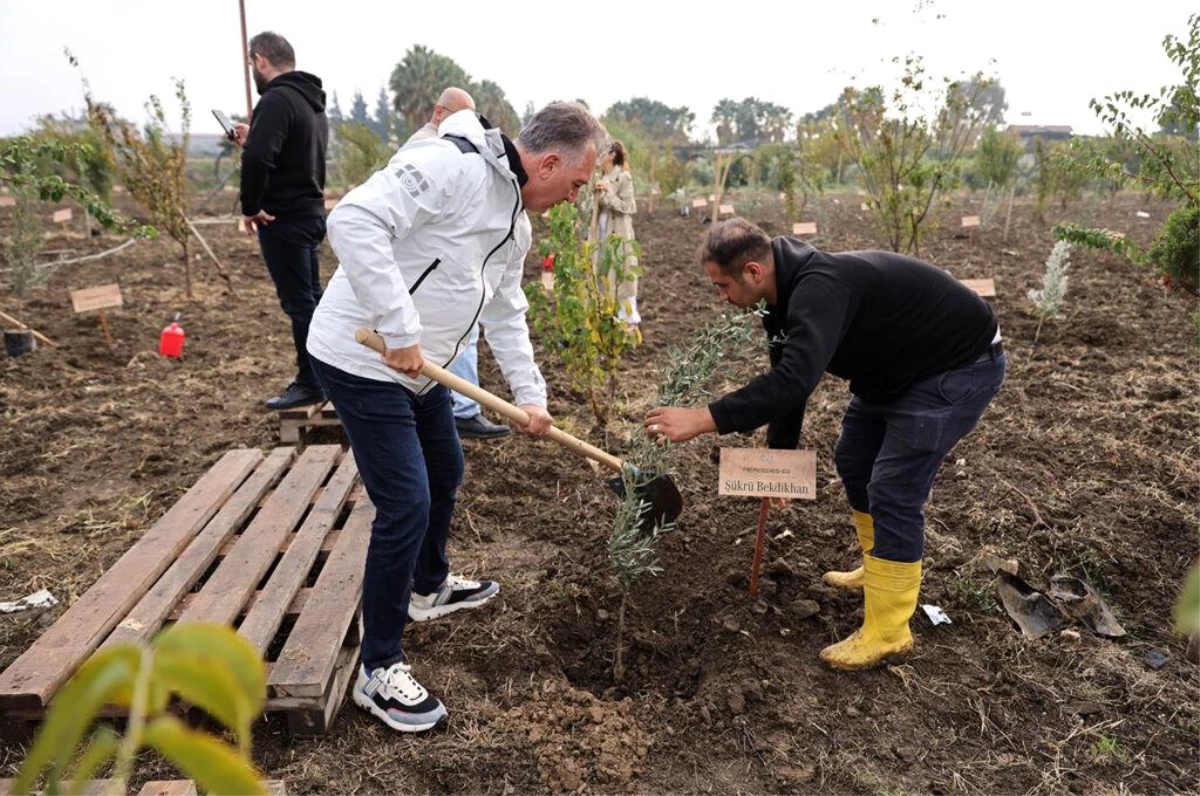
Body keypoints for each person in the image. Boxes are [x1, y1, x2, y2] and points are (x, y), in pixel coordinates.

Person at [306, 102, 605, 732]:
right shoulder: (450, 167)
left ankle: (428, 586)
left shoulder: (515, 226)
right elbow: (354, 220)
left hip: (419, 367)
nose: (575, 199)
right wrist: (399, 325)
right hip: (363, 357)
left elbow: (505, 311)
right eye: (576, 184)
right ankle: (377, 668)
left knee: (447, 468)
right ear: (549, 163)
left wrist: (531, 395)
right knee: (406, 502)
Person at [645, 218, 1005, 671]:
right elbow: (789, 375)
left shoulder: (819, 288)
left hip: (956, 366)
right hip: (898, 368)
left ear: (753, 272)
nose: (721, 298)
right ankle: (880, 566)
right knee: (854, 458)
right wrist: (781, 456)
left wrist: (703, 418)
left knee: (895, 488)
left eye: (722, 286)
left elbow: (792, 381)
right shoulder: (780, 294)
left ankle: (889, 632)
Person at [405, 87, 511, 440]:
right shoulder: (429, 149)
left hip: (446, 270)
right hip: (434, 276)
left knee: (464, 329)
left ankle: (460, 407)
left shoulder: (453, 150)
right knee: (458, 330)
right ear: (440, 112)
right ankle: (463, 409)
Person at [233, 31, 330, 410]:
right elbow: (288, 151)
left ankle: (312, 381)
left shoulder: (276, 99)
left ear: (260, 60)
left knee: (300, 304)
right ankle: (325, 375)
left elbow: (258, 159)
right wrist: (254, 136)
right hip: (309, 213)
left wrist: (250, 206)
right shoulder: (310, 102)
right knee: (313, 302)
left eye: (251, 65)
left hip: (283, 218)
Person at [592, 140, 640, 326]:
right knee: (601, 273)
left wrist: (608, 194)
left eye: (601, 153)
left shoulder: (623, 178)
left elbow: (629, 207)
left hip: (618, 234)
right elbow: (590, 208)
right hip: (600, 233)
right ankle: (606, 319)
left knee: (623, 274)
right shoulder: (597, 177)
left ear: (611, 155)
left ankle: (628, 321)